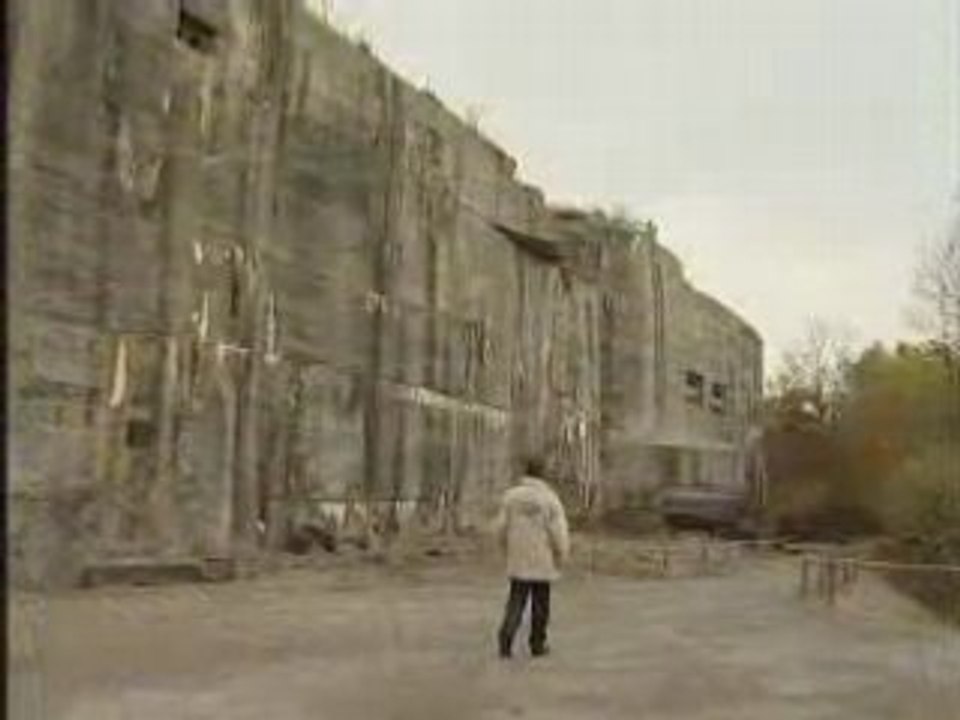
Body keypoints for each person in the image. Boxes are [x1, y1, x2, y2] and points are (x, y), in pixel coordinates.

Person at [493, 458, 570, 659]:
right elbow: (558, 531)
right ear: (543, 474)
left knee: (516, 600)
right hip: (543, 559)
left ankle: (505, 639)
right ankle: (537, 643)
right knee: (540, 604)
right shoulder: (550, 499)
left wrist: (504, 548)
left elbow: (500, 527)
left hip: (518, 557)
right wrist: (562, 553)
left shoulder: (511, 497)